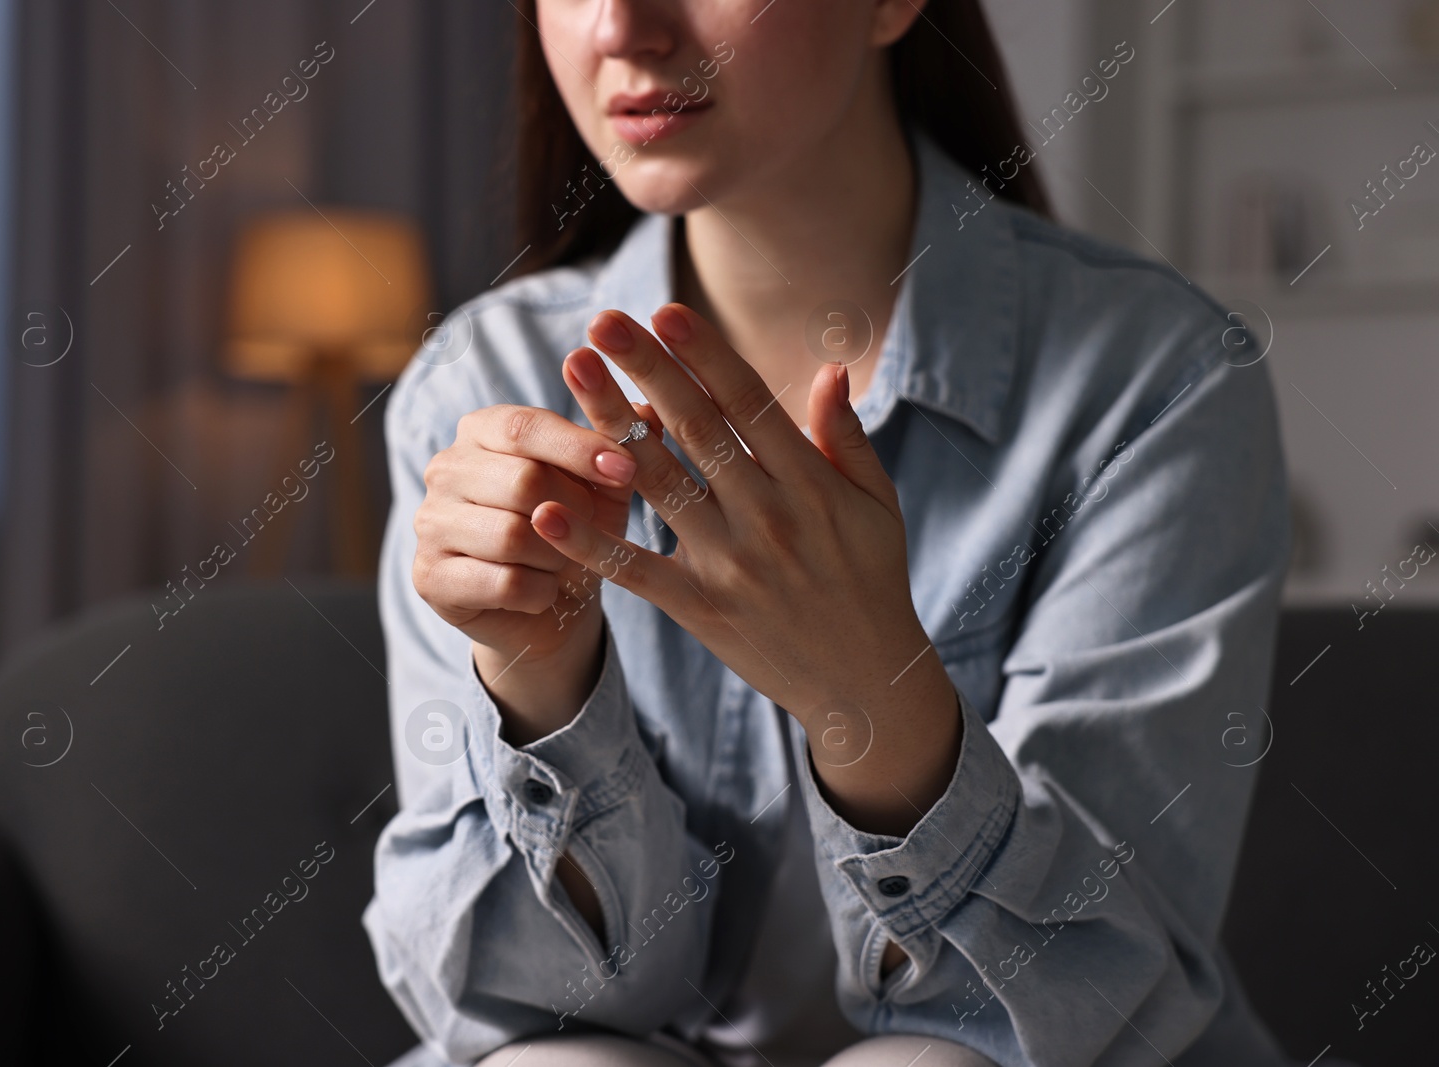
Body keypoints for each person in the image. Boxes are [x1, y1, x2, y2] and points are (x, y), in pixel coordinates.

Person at [364, 2, 1311, 1065]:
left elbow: (1084, 997)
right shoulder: (478, 385)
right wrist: (536, 683)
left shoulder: (1158, 380)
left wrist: (872, 696)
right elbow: (509, 1009)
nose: (621, 26)